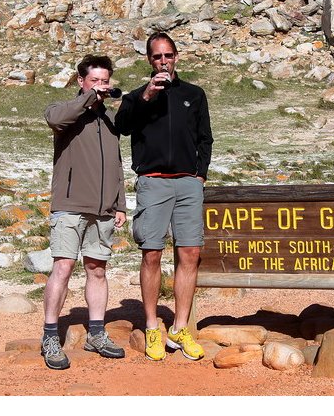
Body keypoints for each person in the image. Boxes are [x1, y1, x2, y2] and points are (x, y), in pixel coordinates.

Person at [115, 32, 213, 361]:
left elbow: (205, 138)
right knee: (152, 254)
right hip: (153, 182)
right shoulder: (135, 98)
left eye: (168, 55)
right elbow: (123, 126)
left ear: (176, 57)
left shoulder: (194, 94)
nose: (163, 62)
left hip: (187, 183)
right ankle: (152, 326)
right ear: (149, 60)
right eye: (157, 57)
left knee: (189, 255)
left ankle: (180, 327)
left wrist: (199, 174)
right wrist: (147, 95)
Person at [41, 54, 127, 370]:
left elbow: (116, 163)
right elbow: (54, 119)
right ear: (81, 81)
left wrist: (120, 203)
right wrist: (89, 99)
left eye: (105, 81)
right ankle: (50, 335)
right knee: (63, 267)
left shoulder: (109, 120)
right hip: (69, 205)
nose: (101, 87)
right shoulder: (65, 111)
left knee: (97, 270)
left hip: (103, 208)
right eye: (95, 81)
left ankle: (96, 333)